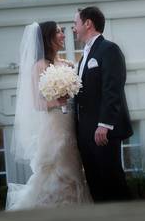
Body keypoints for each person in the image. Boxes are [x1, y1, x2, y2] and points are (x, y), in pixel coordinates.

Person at [6, 21, 92, 210]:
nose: (63, 35)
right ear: (48, 38)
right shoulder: (39, 66)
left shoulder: (67, 64)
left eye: (63, 31)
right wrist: (57, 101)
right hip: (54, 126)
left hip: (71, 123)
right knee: (57, 166)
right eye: (59, 32)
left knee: (75, 168)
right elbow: (37, 103)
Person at [73, 6, 132, 202]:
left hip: (102, 131)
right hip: (86, 133)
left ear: (88, 23)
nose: (74, 28)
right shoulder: (83, 58)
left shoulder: (109, 50)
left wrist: (104, 125)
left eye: (76, 23)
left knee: (112, 182)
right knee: (95, 185)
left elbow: (112, 89)